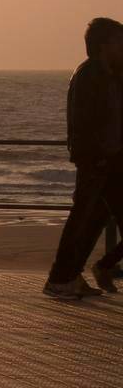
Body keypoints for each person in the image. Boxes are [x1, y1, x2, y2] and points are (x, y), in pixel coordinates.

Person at [44, 16, 123, 300]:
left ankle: (69, 275)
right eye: (119, 41)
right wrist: (96, 156)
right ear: (105, 45)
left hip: (111, 161)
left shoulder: (110, 74)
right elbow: (85, 122)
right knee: (82, 220)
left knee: (88, 223)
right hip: (98, 160)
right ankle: (61, 278)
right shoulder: (91, 75)